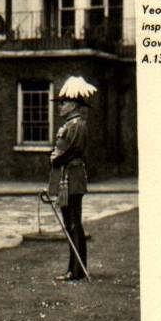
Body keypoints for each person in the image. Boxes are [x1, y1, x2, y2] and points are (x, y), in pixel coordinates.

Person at [50, 76, 96, 282]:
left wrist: (57, 160)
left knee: (74, 223)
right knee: (70, 223)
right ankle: (74, 268)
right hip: (66, 177)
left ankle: (77, 270)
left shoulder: (76, 125)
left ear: (74, 104)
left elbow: (75, 150)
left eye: (64, 102)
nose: (60, 106)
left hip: (72, 178)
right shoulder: (71, 123)